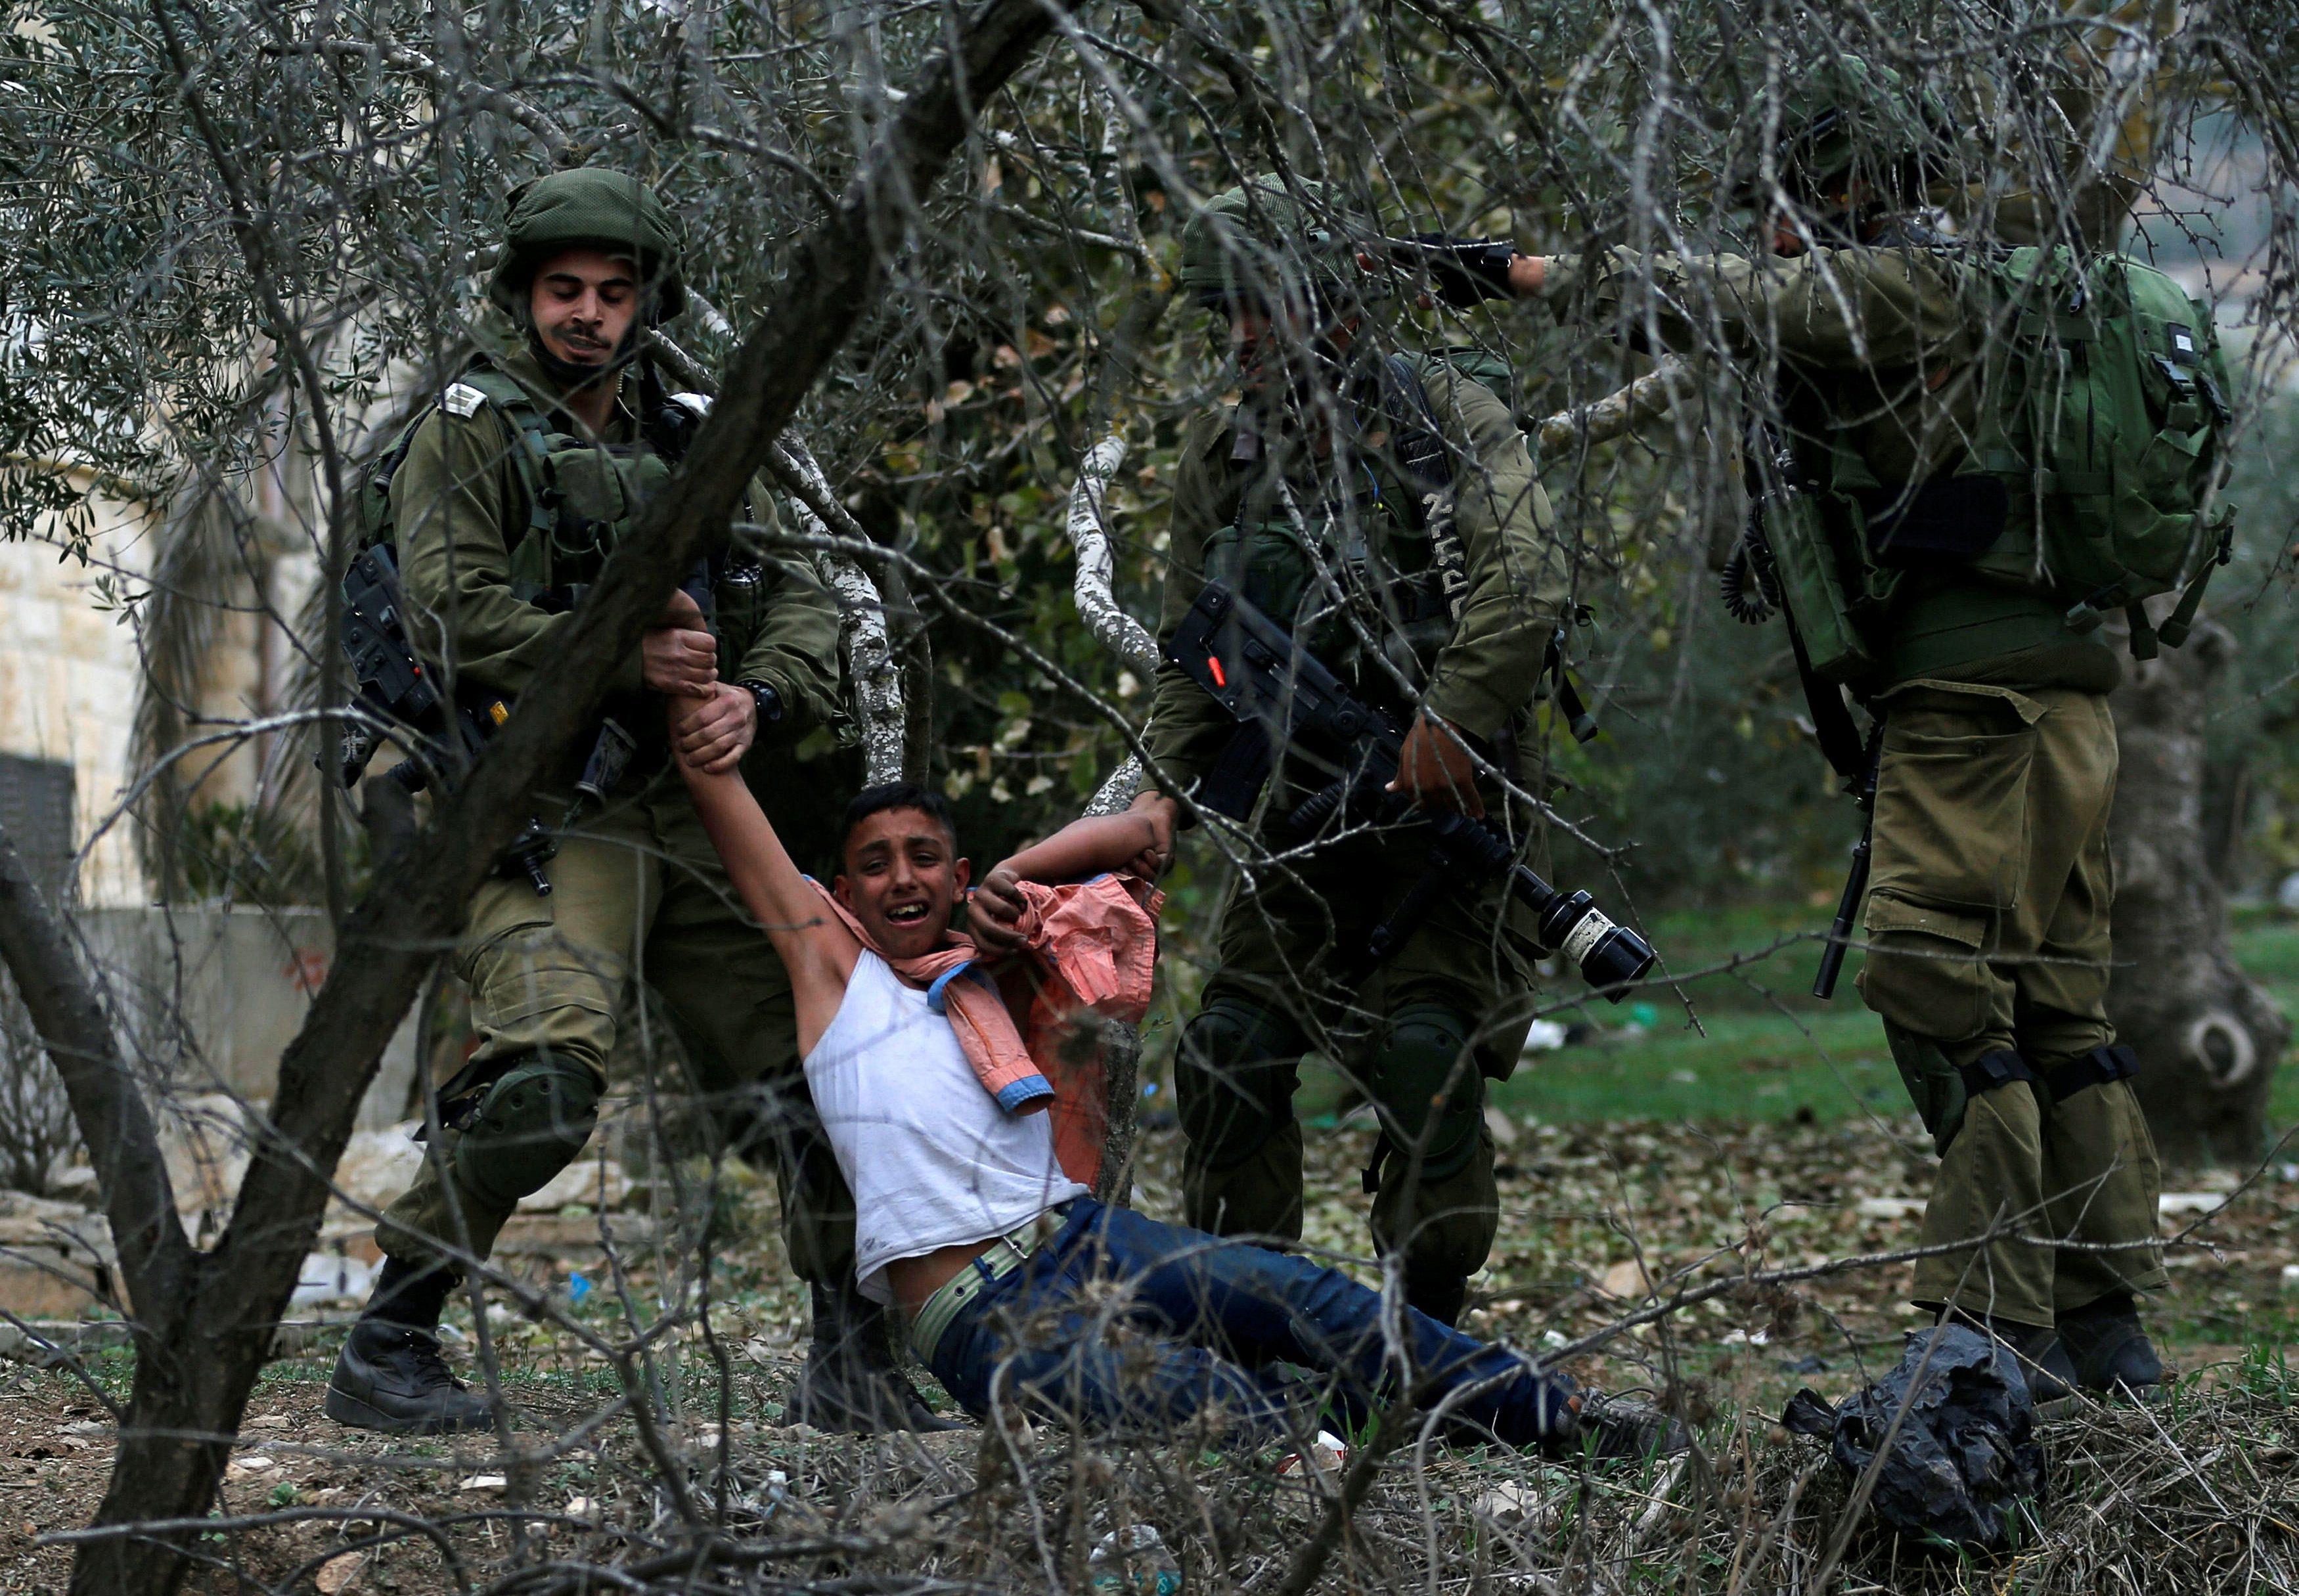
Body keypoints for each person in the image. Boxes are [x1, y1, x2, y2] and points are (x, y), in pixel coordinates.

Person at [1421, 58, 2202, 1402]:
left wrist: (1523, 271)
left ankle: (1990, 1334)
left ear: (1850, 189)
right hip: (2057, 709)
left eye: (1786, 200)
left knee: (1939, 991)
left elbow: (1722, 300)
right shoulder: (1985, 293)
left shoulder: (1914, 287)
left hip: (1973, 715)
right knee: (2057, 1011)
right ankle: (2105, 1331)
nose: (1768, 228)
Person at [326, 169, 942, 1437]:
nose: (589, 315)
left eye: (613, 292)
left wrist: (753, 698)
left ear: (645, 302)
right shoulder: (470, 426)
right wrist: (621, 657)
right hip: (540, 800)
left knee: (831, 1067)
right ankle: (389, 1340)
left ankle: (849, 1356)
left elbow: (806, 597)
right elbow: (449, 607)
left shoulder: (691, 430)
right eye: (564, 290)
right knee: (549, 1078)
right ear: (523, 295)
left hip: (689, 800)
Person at [675, 741, 1680, 1460]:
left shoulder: (988, 971)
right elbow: (731, 809)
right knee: (1200, 1403)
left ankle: (1572, 1420)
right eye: (875, 863)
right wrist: (707, 737)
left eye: (924, 856)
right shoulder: (836, 984)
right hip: (975, 1306)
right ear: (841, 893)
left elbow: (1129, 834)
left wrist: (1092, 842)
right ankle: (1312, 1461)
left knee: (1314, 1300)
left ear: (959, 874)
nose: (902, 877)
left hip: (1080, 1235)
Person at [1128, 177, 1575, 1330]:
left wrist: (1447, 728)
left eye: (1265, 308)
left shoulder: (1450, 417)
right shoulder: (1224, 458)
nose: (1242, 339)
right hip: (1297, 822)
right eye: (1228, 314)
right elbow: (1196, 652)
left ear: (1336, 300)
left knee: (1428, 1056)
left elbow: (1525, 589)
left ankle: (1423, 1331)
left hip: (1447, 827)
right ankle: (1256, 1326)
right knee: (1226, 1050)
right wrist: (1159, 799)